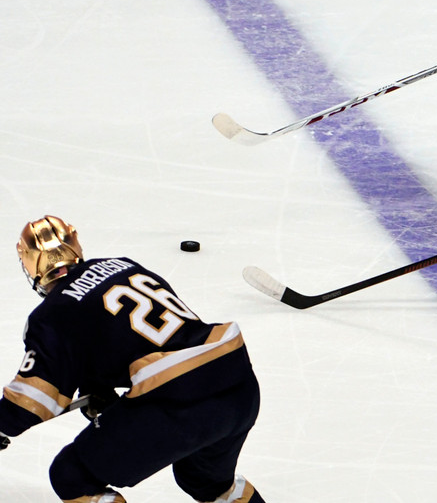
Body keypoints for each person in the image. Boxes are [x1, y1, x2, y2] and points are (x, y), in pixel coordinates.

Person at [0, 215, 265, 502]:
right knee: (205, 480)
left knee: (72, 477)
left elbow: (33, 401)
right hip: (236, 379)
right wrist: (97, 386)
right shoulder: (124, 265)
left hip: (179, 400)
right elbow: (136, 336)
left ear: (30, 263)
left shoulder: (52, 314)